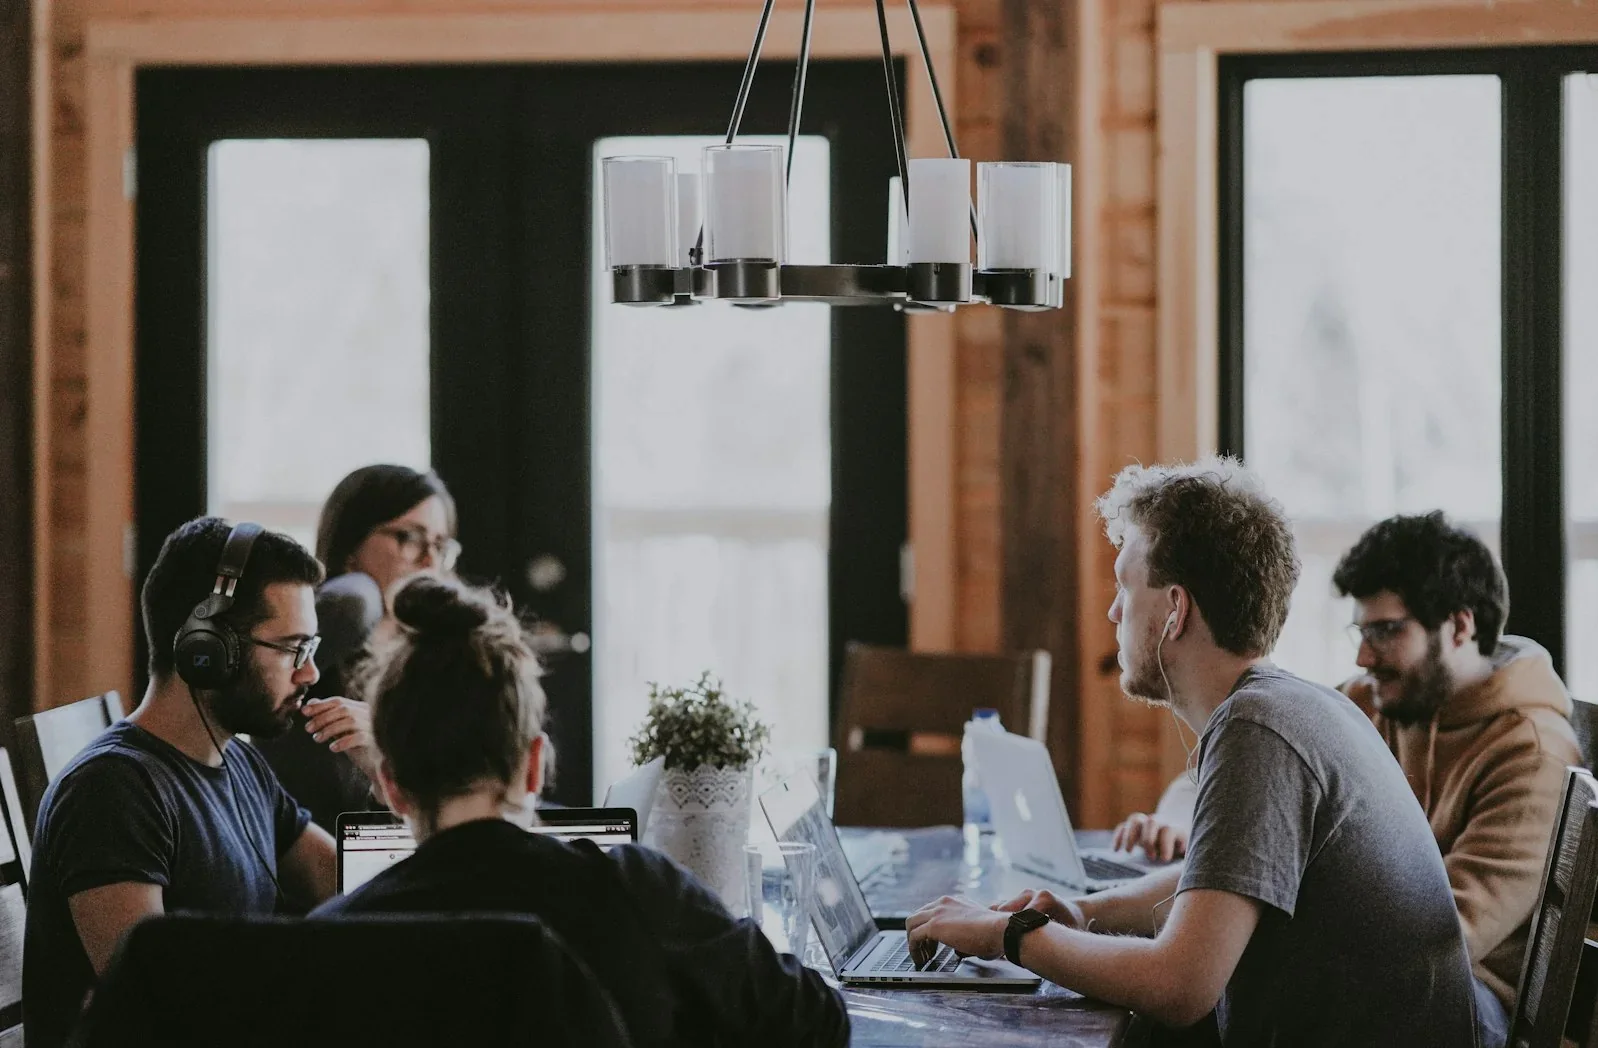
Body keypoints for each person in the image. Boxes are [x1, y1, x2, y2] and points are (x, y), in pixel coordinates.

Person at [905, 459, 1478, 1046]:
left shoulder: (1258, 728)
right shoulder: (1293, 706)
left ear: (1175, 610)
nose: (1114, 611)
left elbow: (1179, 986)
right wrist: (1082, 912)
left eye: (1125, 586)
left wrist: (1007, 934)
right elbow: (1219, 879)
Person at [311, 574, 849, 1048]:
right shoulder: (637, 891)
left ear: (392, 785)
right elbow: (817, 1023)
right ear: (534, 765)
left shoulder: (330, 940)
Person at [1111, 511, 1578, 1046]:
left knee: (1184, 992)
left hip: (1466, 1003)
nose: (1362, 655)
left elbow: (1444, 937)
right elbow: (1241, 775)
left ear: (1460, 626)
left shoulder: (1532, 751)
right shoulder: (1371, 699)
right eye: (1360, 630)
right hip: (1366, 970)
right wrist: (1176, 822)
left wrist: (1227, 917)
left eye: (1386, 631)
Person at [23, 518, 357, 1048]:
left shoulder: (240, 766)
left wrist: (389, 767)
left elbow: (349, 883)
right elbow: (152, 1006)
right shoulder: (112, 791)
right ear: (207, 649)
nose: (310, 673)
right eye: (294, 648)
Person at [256, 465, 459, 833]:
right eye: (410, 538)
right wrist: (361, 588)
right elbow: (348, 602)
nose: (430, 561)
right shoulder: (334, 625)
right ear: (351, 545)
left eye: (441, 545)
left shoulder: (436, 649)